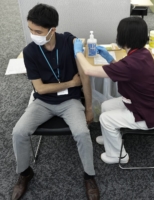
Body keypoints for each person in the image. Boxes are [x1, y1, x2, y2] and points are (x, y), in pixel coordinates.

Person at [11, 4, 99, 200]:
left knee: (83, 133)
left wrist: (89, 109)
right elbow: (40, 88)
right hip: (42, 102)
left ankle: (89, 176)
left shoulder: (70, 42)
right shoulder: (30, 52)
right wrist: (70, 82)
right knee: (18, 132)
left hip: (70, 101)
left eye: (38, 31)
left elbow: (84, 78)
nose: (33, 35)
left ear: (53, 29)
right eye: (31, 30)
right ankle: (25, 173)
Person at [74, 17, 154, 164]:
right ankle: (109, 138)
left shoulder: (130, 63)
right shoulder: (143, 53)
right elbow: (125, 71)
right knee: (106, 106)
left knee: (105, 118)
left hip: (149, 114)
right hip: (148, 103)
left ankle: (118, 155)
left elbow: (89, 70)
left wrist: (78, 53)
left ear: (123, 37)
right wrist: (109, 59)